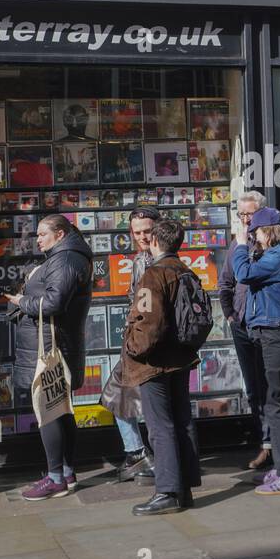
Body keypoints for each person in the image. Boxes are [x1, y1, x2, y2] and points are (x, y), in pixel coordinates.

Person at [7, 215, 94, 499]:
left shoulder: (66, 259)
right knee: (60, 409)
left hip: (50, 349)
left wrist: (22, 301)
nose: (38, 239)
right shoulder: (63, 257)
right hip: (53, 345)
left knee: (49, 411)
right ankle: (66, 473)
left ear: (59, 234)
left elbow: (54, 302)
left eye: (43, 234)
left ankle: (55, 477)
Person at [123, 220, 203, 514]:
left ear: (155, 240)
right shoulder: (185, 271)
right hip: (180, 358)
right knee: (182, 421)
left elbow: (148, 322)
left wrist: (133, 348)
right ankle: (184, 489)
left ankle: (167, 491)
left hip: (154, 362)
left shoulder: (152, 275)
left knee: (160, 426)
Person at [233, 208, 280, 494]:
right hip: (277, 331)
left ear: (268, 231)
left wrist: (241, 245)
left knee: (276, 405)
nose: (254, 238)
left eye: (256, 233)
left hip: (276, 335)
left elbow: (243, 273)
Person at [218, 191, 272, 468]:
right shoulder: (236, 245)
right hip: (242, 325)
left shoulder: (273, 242)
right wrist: (229, 315)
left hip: (267, 326)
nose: (245, 219)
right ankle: (265, 443)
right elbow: (225, 283)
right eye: (241, 215)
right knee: (253, 389)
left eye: (249, 214)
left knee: (273, 388)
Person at [107, 206, 160, 482]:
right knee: (121, 394)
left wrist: (136, 341)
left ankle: (141, 454)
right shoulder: (143, 257)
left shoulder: (150, 260)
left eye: (147, 231)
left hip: (143, 342)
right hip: (140, 339)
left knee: (127, 395)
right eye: (137, 231)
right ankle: (139, 452)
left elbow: (146, 307)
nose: (141, 236)